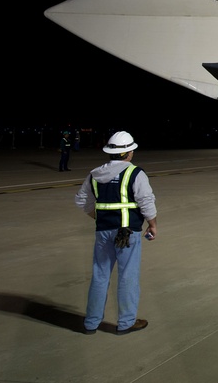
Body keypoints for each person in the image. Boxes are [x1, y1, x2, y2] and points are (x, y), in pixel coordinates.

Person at [74, 131, 157, 335]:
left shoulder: (95, 174)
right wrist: (152, 224)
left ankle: (91, 323)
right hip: (128, 233)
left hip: (103, 232)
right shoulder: (135, 173)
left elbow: (82, 201)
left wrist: (100, 217)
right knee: (128, 276)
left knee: (99, 276)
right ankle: (126, 322)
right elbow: (146, 201)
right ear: (128, 153)